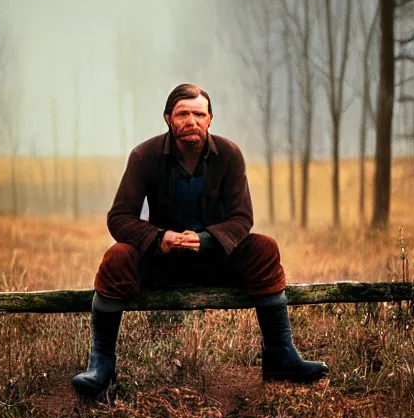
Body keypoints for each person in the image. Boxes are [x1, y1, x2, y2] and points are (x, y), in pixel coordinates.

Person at [72, 83, 328, 399]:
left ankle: (280, 356)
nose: (191, 121)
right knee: (117, 257)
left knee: (264, 248)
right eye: (183, 114)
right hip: (160, 263)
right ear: (168, 118)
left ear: (210, 119)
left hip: (214, 261)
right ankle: (102, 366)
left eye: (198, 114)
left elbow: (241, 218)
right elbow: (119, 218)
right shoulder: (144, 156)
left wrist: (206, 240)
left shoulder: (229, 155)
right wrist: (159, 238)